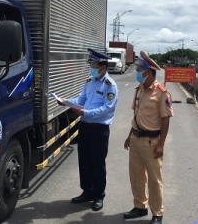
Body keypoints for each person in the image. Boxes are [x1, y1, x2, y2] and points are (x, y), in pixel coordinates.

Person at [61, 48, 118, 212]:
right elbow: (81, 100)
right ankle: (87, 191)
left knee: (97, 162)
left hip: (99, 129)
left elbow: (107, 108)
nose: (91, 66)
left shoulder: (110, 86)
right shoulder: (89, 82)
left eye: (94, 64)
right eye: (91, 63)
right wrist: (66, 102)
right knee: (84, 160)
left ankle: (99, 195)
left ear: (103, 66)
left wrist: (86, 112)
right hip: (85, 126)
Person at [123, 50, 174, 224]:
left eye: (140, 68)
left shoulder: (162, 92)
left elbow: (166, 119)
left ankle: (157, 213)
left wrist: (161, 144)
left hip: (152, 142)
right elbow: (136, 116)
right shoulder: (139, 90)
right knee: (136, 176)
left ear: (149, 71)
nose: (137, 71)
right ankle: (139, 206)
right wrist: (129, 136)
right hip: (136, 139)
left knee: (154, 179)